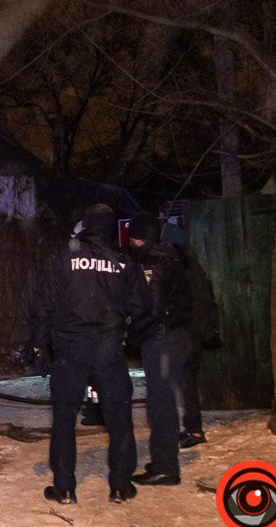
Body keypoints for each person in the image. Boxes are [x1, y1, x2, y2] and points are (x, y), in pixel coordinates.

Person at [34, 203, 151, 504]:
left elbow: (44, 305)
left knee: (63, 418)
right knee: (119, 417)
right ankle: (121, 486)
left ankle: (64, 488)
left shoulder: (63, 258)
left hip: (70, 350)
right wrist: (131, 337)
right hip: (108, 350)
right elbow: (143, 308)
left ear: (85, 225)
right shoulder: (124, 263)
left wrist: (39, 344)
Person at [126, 212, 193, 487]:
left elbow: (151, 307)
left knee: (161, 405)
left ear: (137, 238)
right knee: (164, 402)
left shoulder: (152, 263)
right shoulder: (172, 256)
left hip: (162, 340)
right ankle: (164, 461)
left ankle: (166, 467)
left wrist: (131, 333)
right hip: (177, 336)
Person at [179, 249, 221, 448]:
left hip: (190, 334)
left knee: (187, 384)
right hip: (195, 333)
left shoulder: (187, 273)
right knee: (187, 383)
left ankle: (194, 430)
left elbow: (198, 306)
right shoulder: (195, 270)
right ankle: (192, 428)